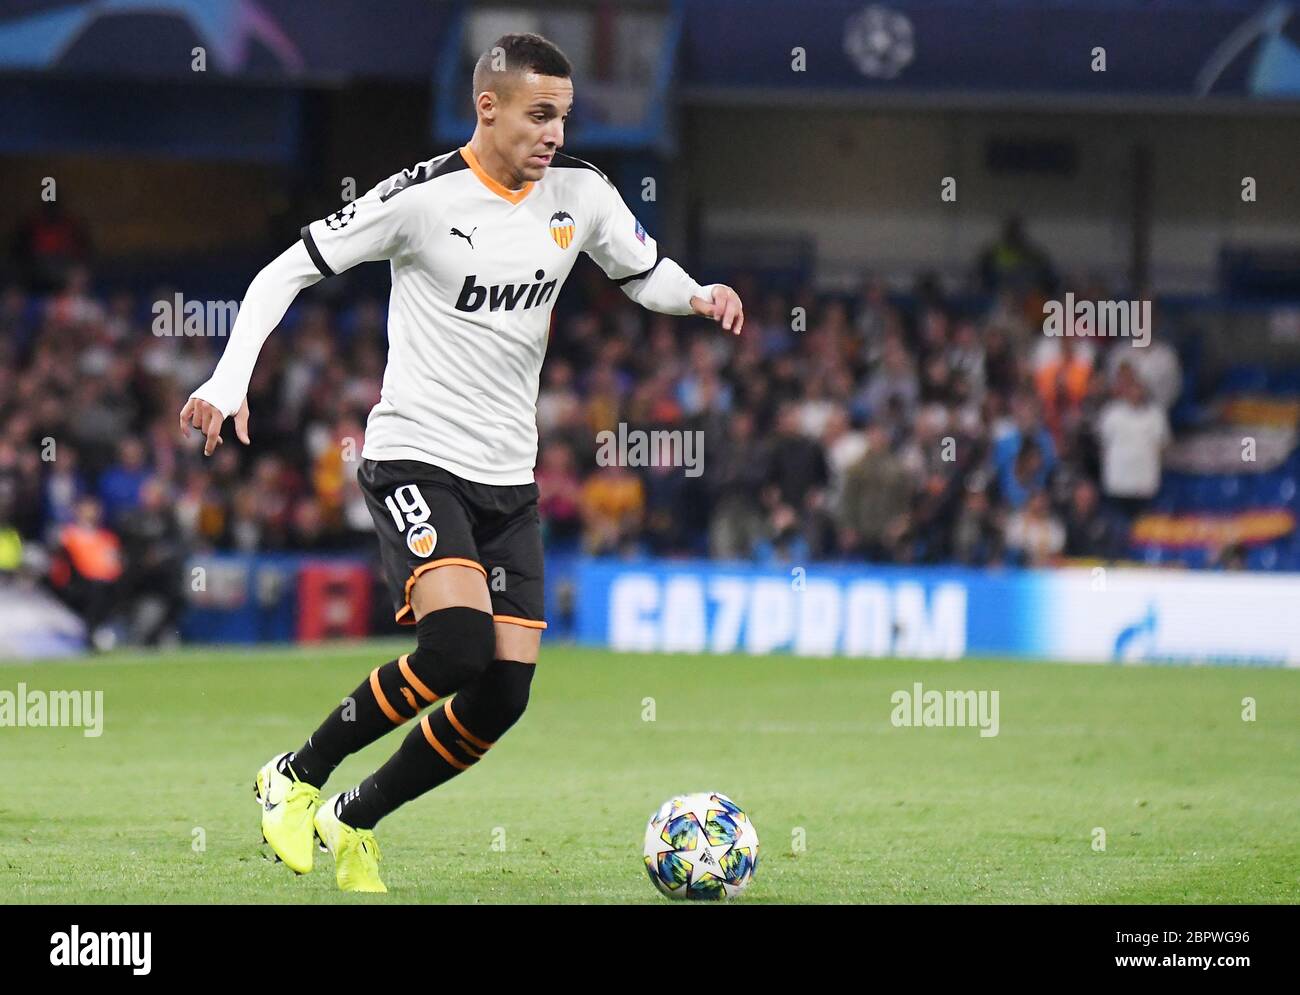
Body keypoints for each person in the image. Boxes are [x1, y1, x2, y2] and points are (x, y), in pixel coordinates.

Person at [178, 33, 743, 892]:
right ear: (489, 106)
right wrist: (228, 377)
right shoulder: (422, 197)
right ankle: (291, 775)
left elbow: (642, 270)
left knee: (503, 693)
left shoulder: (580, 194)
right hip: (415, 456)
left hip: (508, 480)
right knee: (455, 647)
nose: (555, 131)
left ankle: (352, 819)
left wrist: (697, 293)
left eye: (564, 114)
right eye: (539, 113)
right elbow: (284, 270)